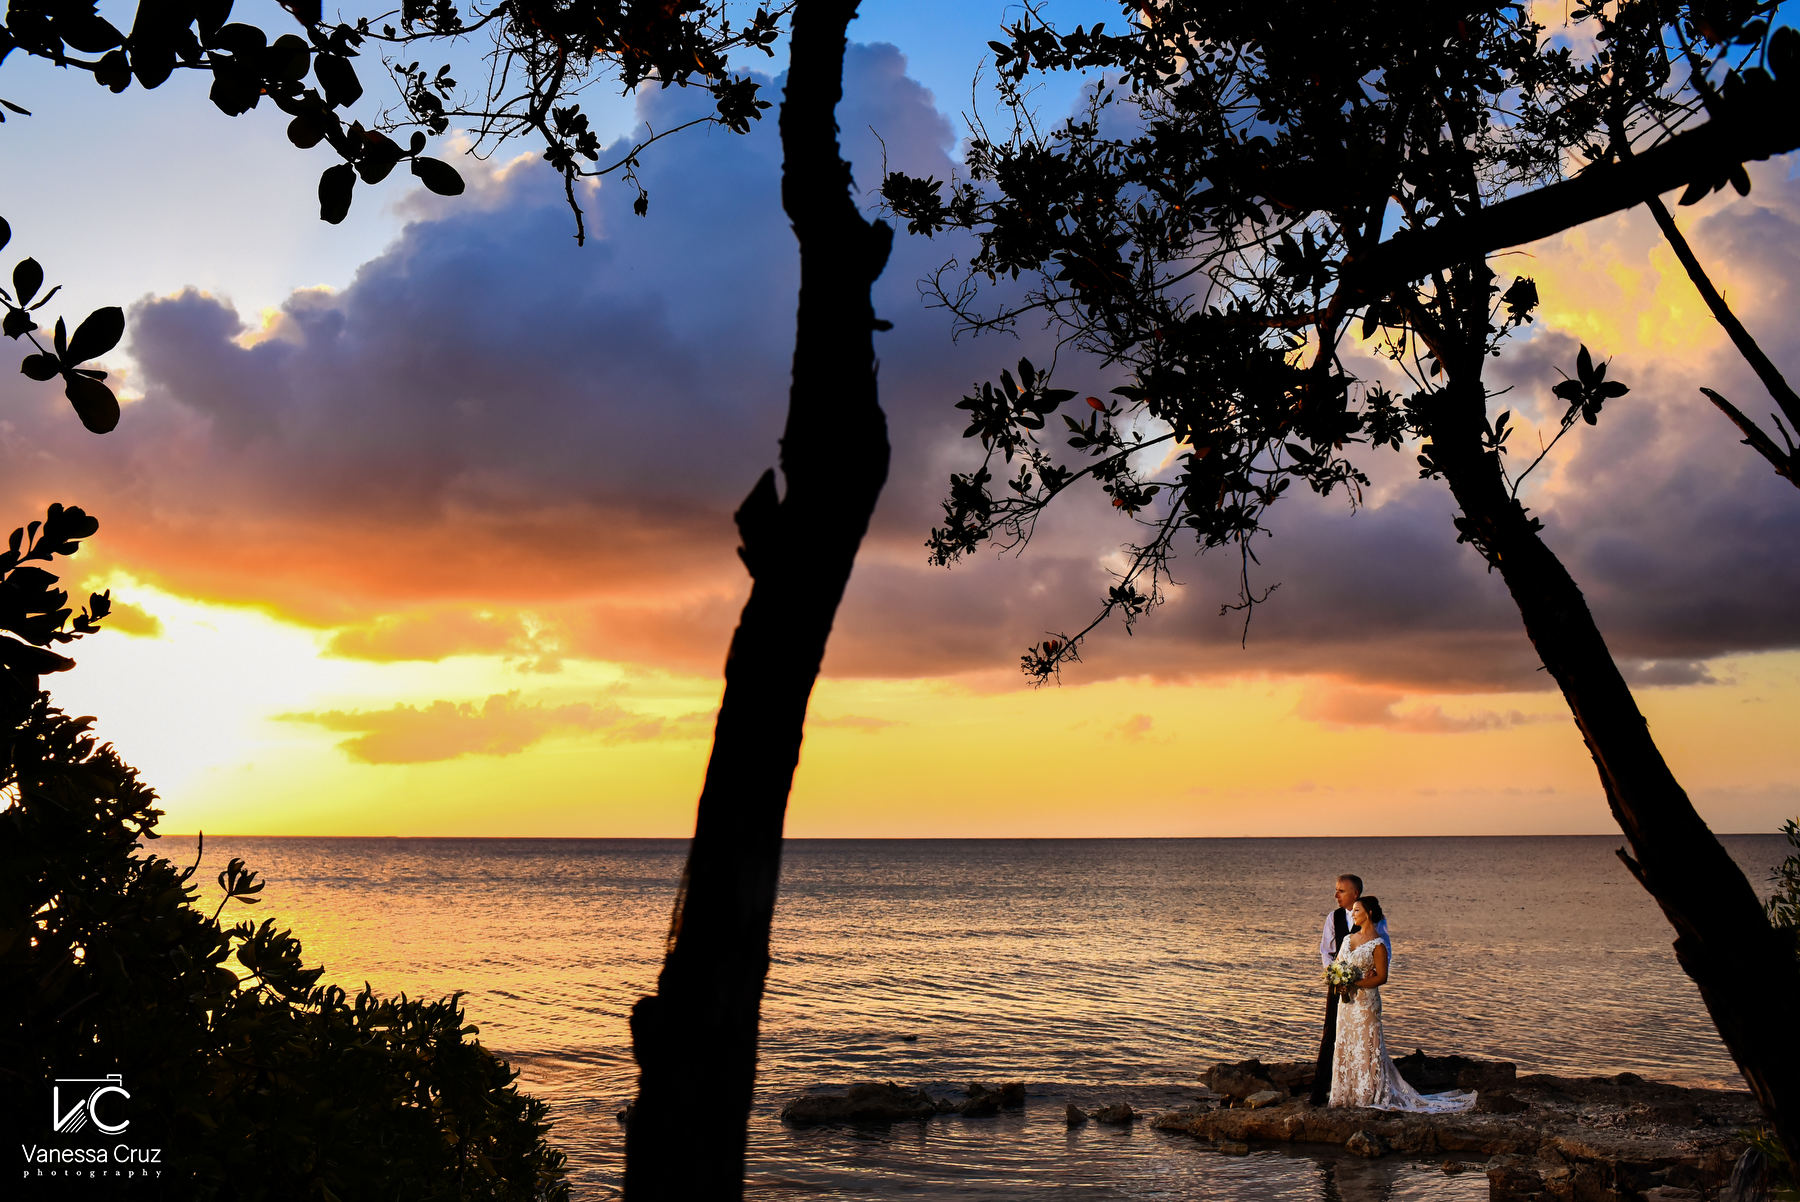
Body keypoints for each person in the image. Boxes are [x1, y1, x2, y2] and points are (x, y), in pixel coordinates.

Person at [1328, 897, 1475, 1112]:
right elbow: (1338, 965)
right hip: (1347, 1003)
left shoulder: (1378, 944)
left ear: (1368, 913)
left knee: (1367, 1046)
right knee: (1345, 1043)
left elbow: (1382, 977)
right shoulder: (1347, 939)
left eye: (1357, 910)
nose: (1353, 914)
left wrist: (1356, 981)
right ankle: (1345, 1093)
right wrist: (1339, 980)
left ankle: (1368, 1093)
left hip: (1366, 1004)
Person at [1309, 873, 1388, 1105]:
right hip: (1338, 985)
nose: (1336, 895)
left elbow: (1384, 946)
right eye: (1336, 890)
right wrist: (1335, 975)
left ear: (1355, 894)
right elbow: (1326, 950)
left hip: (1364, 987)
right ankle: (1320, 1089)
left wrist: (1374, 970)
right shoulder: (1333, 918)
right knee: (1331, 1033)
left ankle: (1366, 1087)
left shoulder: (1376, 919)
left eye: (1341, 891)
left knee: (1363, 1037)